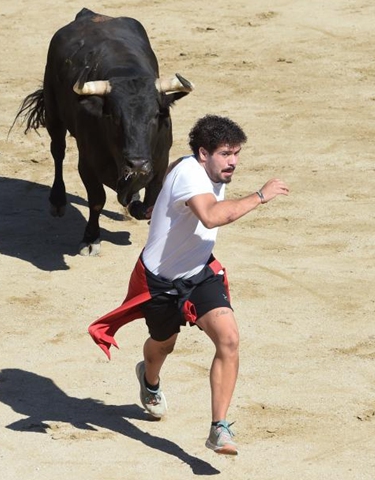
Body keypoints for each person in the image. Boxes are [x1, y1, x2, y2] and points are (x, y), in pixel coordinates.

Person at [88, 114, 289, 455]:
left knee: (229, 339)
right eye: (226, 154)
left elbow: (172, 173)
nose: (233, 162)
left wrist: (158, 203)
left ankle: (219, 429)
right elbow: (211, 216)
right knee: (162, 345)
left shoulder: (191, 167)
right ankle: (149, 379)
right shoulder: (190, 173)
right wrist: (259, 196)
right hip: (158, 282)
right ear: (203, 154)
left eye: (236, 153)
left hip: (200, 273)